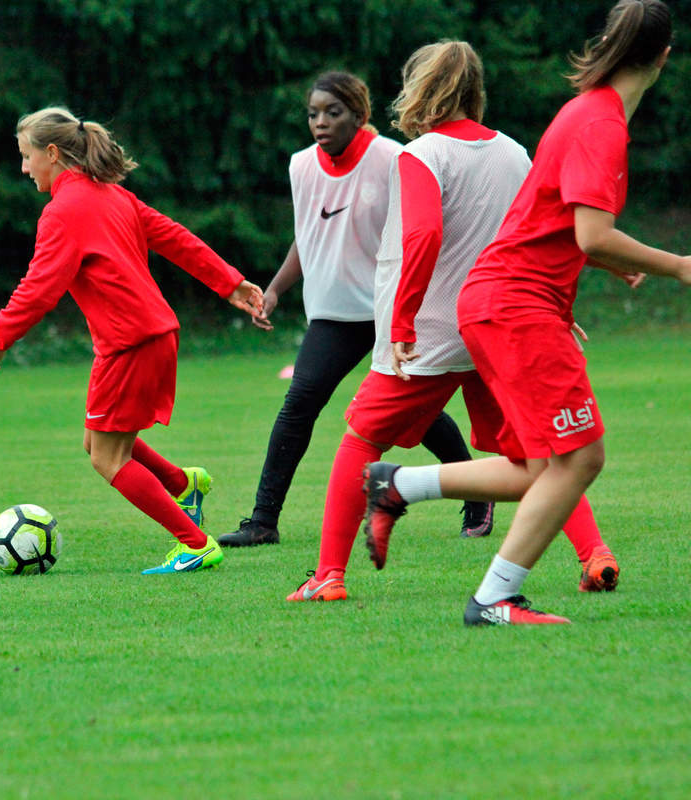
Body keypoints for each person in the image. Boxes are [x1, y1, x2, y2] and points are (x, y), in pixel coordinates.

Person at [363, 0, 690, 625]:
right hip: (519, 304)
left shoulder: (581, 112)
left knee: (541, 469)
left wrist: (607, 260)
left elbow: (559, 224)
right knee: (582, 457)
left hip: (498, 300)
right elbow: (592, 232)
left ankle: (399, 485)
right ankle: (493, 599)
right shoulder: (603, 125)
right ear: (664, 57)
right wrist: (677, 264)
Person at [0, 106, 265, 574]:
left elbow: (39, 287)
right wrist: (229, 282)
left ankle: (194, 544)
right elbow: (176, 238)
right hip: (150, 336)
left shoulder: (62, 212)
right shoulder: (113, 196)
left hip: (129, 343)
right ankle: (181, 484)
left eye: (27, 157)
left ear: (52, 153)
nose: (24, 168)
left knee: (108, 459)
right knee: (97, 443)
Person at [219, 71, 492, 549]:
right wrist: (278, 289)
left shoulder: (394, 158)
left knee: (416, 415)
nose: (320, 122)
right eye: (312, 114)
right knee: (299, 404)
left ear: (361, 116)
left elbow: (423, 231)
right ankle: (262, 521)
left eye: (333, 112)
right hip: (333, 314)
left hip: (393, 309)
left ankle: (476, 493)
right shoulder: (300, 166)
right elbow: (308, 237)